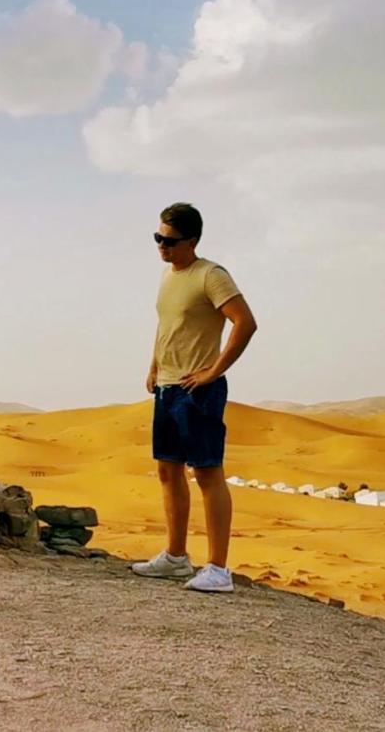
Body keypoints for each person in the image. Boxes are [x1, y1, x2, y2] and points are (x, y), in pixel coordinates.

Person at [132, 202, 257, 593]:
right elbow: (166, 325)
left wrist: (215, 370)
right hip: (167, 386)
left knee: (206, 472)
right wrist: (153, 365)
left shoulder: (211, 275)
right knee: (167, 470)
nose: (161, 247)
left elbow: (245, 322)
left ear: (192, 240)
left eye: (169, 241)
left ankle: (218, 568)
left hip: (198, 390)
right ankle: (175, 557)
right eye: (157, 238)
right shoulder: (168, 278)